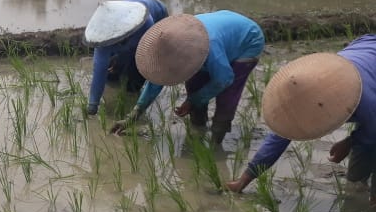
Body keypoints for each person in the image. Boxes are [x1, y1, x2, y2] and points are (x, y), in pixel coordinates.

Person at [226, 37, 376, 205]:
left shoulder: (365, 100)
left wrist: (350, 142)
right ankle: (357, 192)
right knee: (356, 178)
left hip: (368, 72)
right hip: (364, 49)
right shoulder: (304, 96)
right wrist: (245, 179)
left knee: (370, 140)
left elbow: (373, 131)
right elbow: (279, 138)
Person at [111, 11, 264, 144]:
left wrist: (193, 100)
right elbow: (157, 80)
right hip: (220, 30)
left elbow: (225, 79)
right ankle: (198, 127)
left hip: (247, 41)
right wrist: (133, 116)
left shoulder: (210, 46)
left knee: (227, 95)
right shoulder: (170, 45)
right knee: (194, 85)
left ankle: (217, 139)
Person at [84, 0, 168, 116]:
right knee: (110, 77)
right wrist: (92, 105)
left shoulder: (144, 23)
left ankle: (133, 99)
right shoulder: (102, 40)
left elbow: (153, 60)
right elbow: (99, 71)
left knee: (134, 81)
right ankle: (119, 69)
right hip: (128, 11)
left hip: (157, 11)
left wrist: (138, 110)